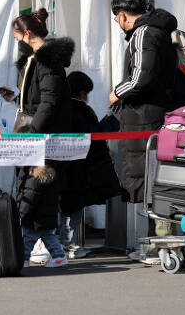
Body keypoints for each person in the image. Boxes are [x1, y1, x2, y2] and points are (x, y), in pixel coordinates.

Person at [109, 0, 178, 244]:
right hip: (161, 112)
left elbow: (141, 77)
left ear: (122, 15)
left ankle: (158, 242)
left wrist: (117, 92)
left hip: (145, 116)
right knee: (160, 177)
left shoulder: (142, 34)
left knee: (150, 179)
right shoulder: (159, 31)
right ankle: (162, 240)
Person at [11, 8, 74, 268]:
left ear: (27, 34)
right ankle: (52, 253)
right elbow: (41, 98)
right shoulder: (39, 60)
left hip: (42, 136)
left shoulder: (46, 61)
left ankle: (27, 251)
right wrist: (16, 98)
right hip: (41, 132)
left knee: (32, 188)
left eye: (17, 38)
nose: (17, 43)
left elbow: (48, 102)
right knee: (39, 191)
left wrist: (32, 131)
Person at [57, 71, 121, 259]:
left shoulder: (62, 108)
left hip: (68, 168)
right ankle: (67, 244)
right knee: (73, 211)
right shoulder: (80, 110)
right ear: (81, 92)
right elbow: (93, 137)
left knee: (67, 208)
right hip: (80, 170)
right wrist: (110, 121)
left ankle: (66, 243)